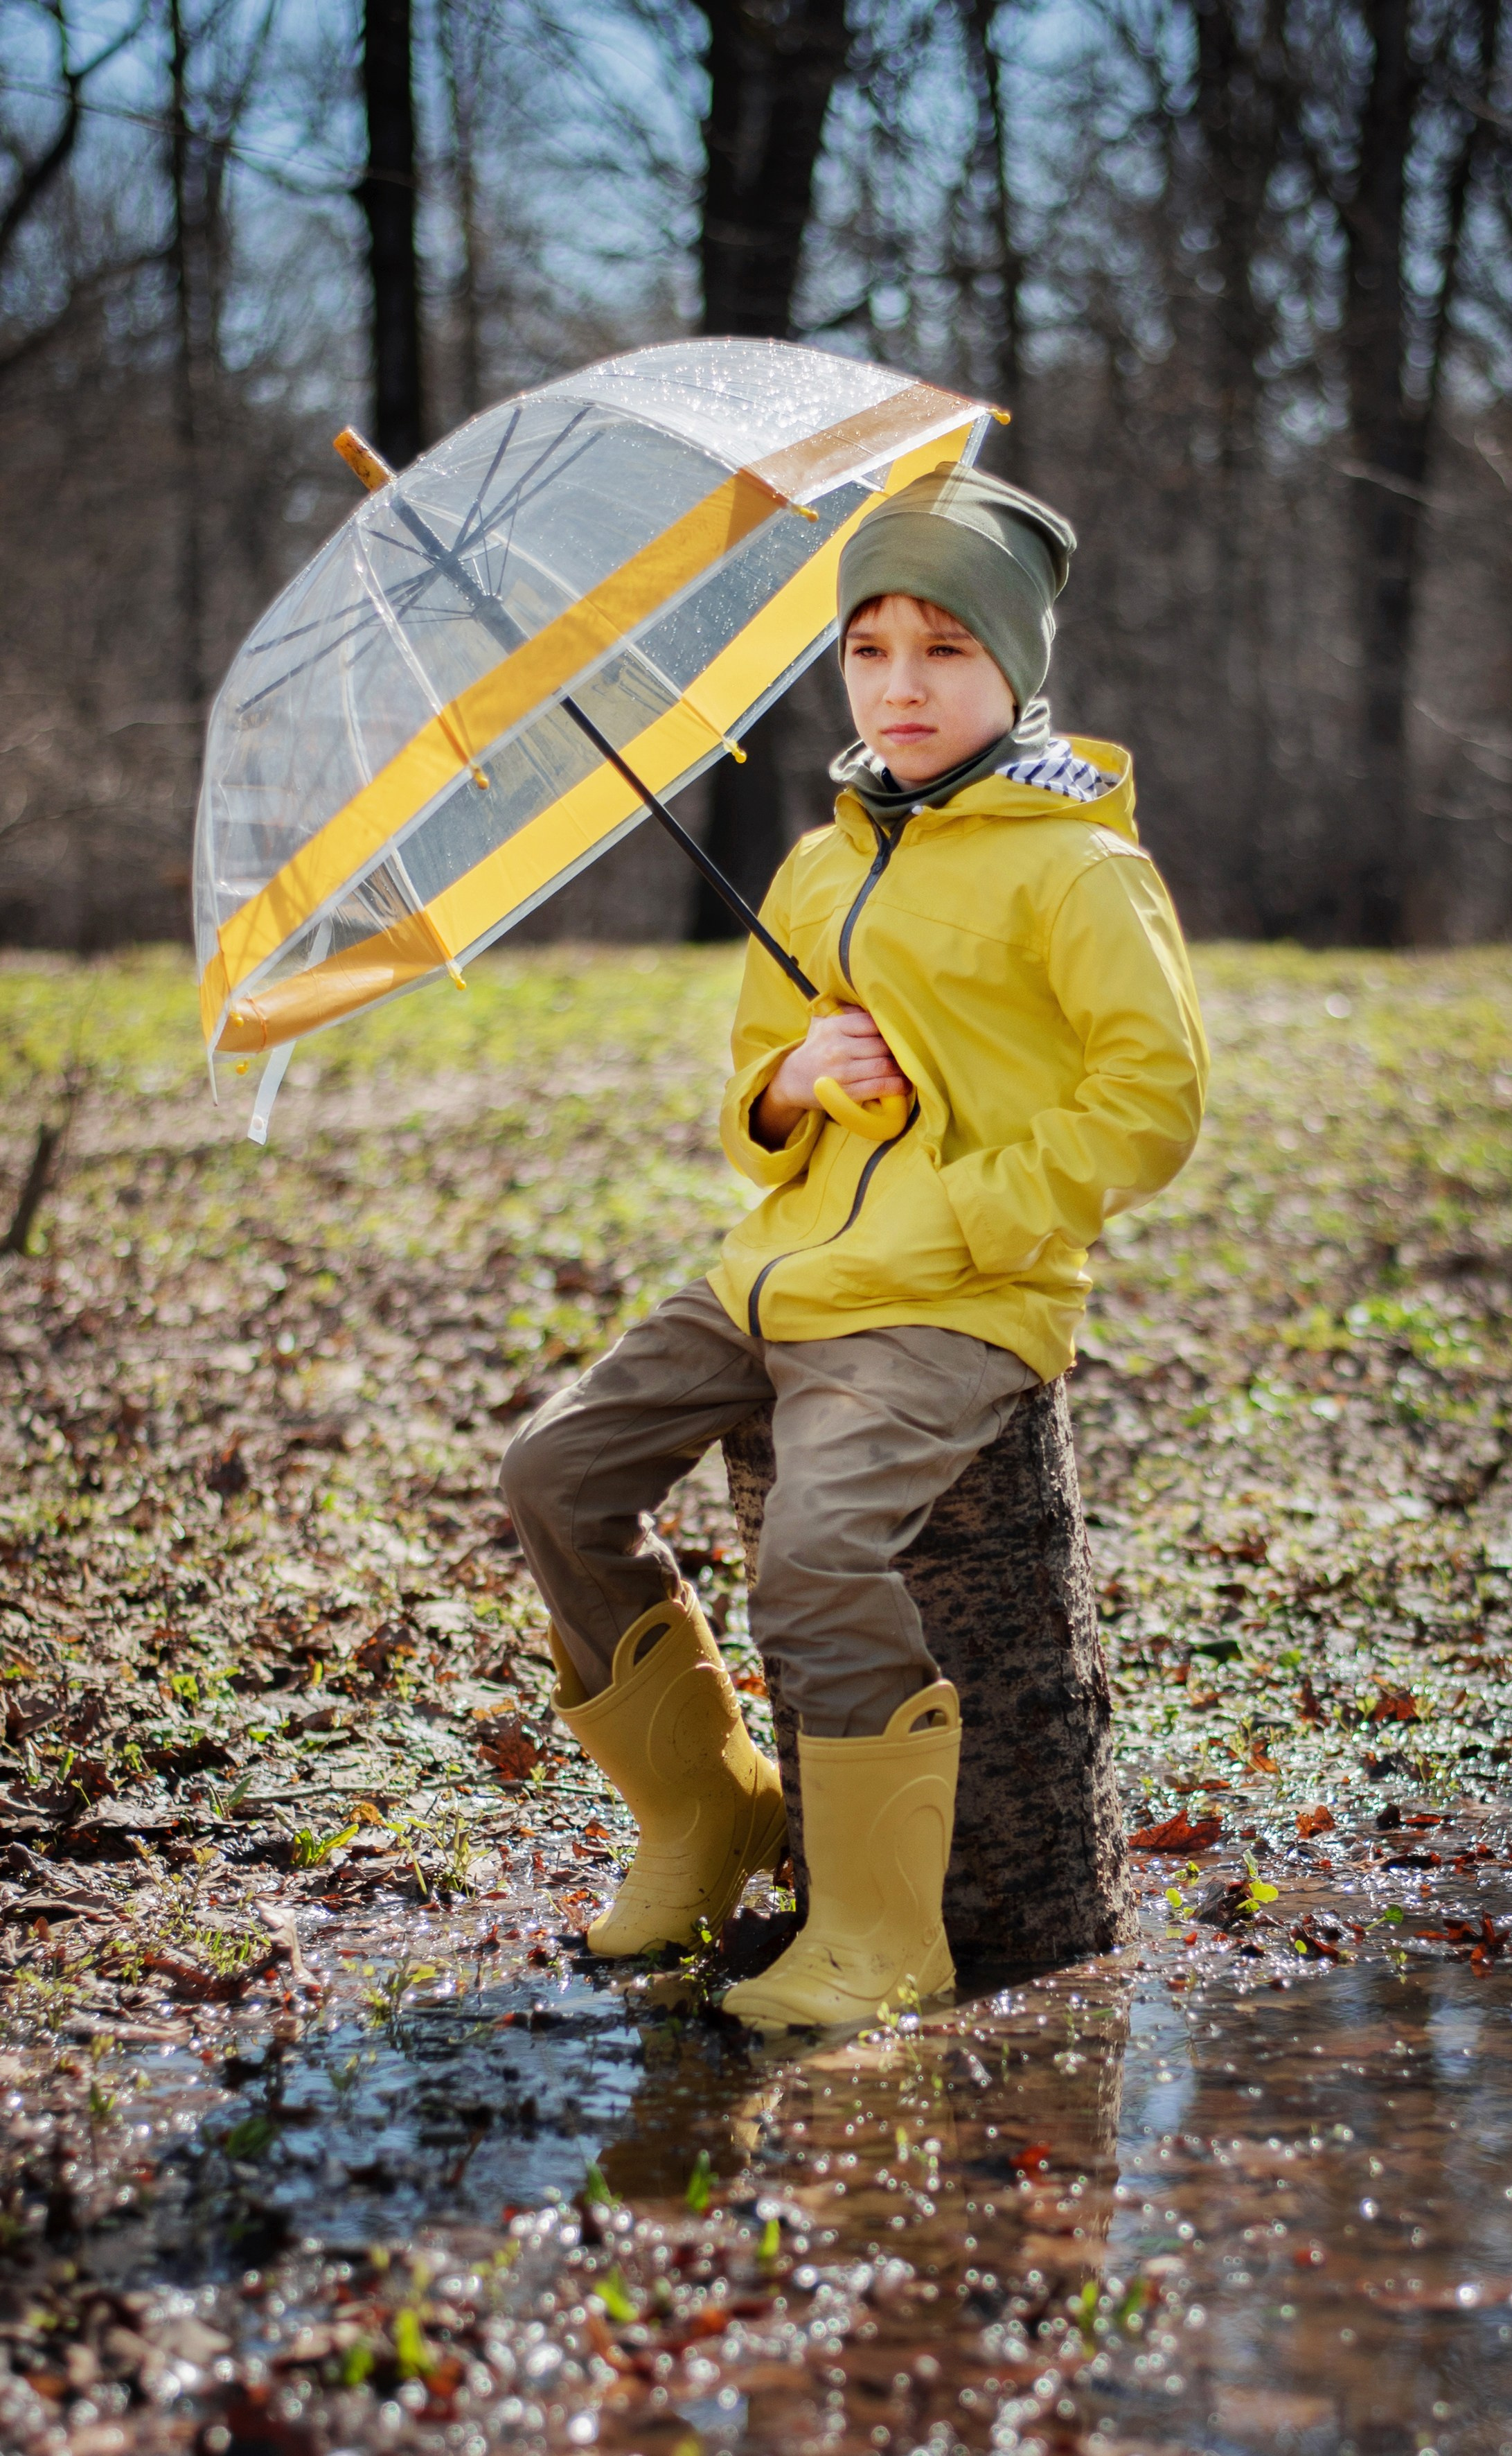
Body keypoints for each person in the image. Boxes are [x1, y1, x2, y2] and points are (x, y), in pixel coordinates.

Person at [500, 461, 1208, 2031]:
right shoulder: (820, 862)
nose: (900, 686)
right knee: (553, 1472)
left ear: (1016, 668)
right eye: (870, 649)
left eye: (945, 651)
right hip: (784, 1266)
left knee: (816, 1561)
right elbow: (751, 1088)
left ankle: (885, 1927)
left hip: (957, 1295)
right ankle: (708, 1812)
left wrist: (964, 1211)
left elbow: (1153, 1100)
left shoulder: (1076, 865)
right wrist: (791, 1085)